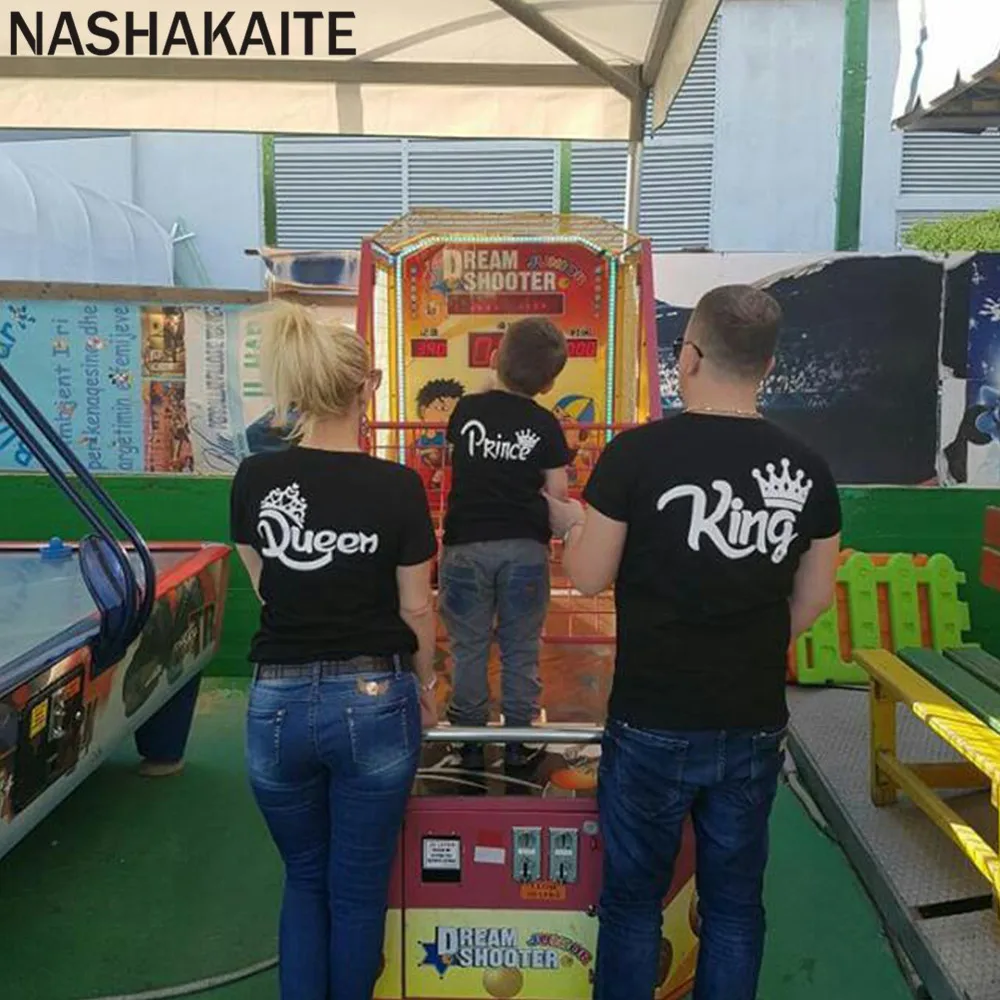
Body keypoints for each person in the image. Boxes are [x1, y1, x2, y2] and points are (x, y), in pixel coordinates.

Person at [545, 285, 841, 1000]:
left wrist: (572, 525)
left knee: (632, 903)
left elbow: (587, 577)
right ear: (767, 365)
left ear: (690, 356)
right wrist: (753, 643)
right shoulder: (807, 468)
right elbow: (815, 597)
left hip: (651, 716)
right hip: (751, 718)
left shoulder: (636, 455)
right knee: (734, 906)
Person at [228, 300, 439, 1000]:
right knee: (356, 889)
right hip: (374, 700)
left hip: (276, 702)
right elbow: (415, 607)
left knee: (304, 877)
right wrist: (428, 686)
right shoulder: (398, 487)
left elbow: (267, 587)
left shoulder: (254, 479)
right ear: (367, 387)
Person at [440, 317, 572, 770]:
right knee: (521, 646)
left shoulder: (466, 411)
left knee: (468, 646)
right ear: (549, 383)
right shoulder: (545, 424)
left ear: (495, 357)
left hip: (465, 545)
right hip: (525, 548)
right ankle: (519, 737)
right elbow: (558, 492)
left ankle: (468, 739)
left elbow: (457, 461)